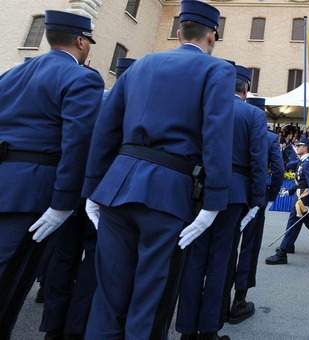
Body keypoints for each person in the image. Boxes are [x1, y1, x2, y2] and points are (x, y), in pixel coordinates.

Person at [82, 1, 236, 338]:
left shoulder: (141, 65)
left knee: (108, 297)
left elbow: (105, 130)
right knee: (149, 301)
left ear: (179, 32)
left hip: (116, 187)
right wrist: (213, 203)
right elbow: (216, 138)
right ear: (212, 35)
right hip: (168, 193)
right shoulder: (217, 71)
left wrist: (93, 188)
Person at [0, 10, 103, 338]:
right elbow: (77, 144)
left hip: (5, 181)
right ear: (80, 41)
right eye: (88, 42)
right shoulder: (81, 78)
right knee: (10, 282)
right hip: (35, 192)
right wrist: (64, 203)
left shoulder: (12, 74)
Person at [178, 64, 267, 337]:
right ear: (246, 89)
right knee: (220, 261)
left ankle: (185, 329)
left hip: (202, 187)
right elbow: (258, 161)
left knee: (194, 259)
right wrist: (256, 200)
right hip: (235, 192)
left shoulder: (206, 106)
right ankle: (208, 330)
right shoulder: (253, 114)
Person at [225, 96, 284, 325]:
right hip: (254, 197)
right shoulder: (269, 137)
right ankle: (239, 300)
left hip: (225, 192)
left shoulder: (227, 122)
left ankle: (218, 299)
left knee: (225, 247)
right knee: (249, 247)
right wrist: (268, 197)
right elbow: (277, 171)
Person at [265, 135, 309, 265]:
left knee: (293, 223)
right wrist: (289, 191)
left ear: (306, 148)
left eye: (299, 146)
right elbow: (300, 182)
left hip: (303, 199)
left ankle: (283, 252)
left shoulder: (308, 163)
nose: (297, 147)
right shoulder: (303, 161)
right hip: (300, 196)